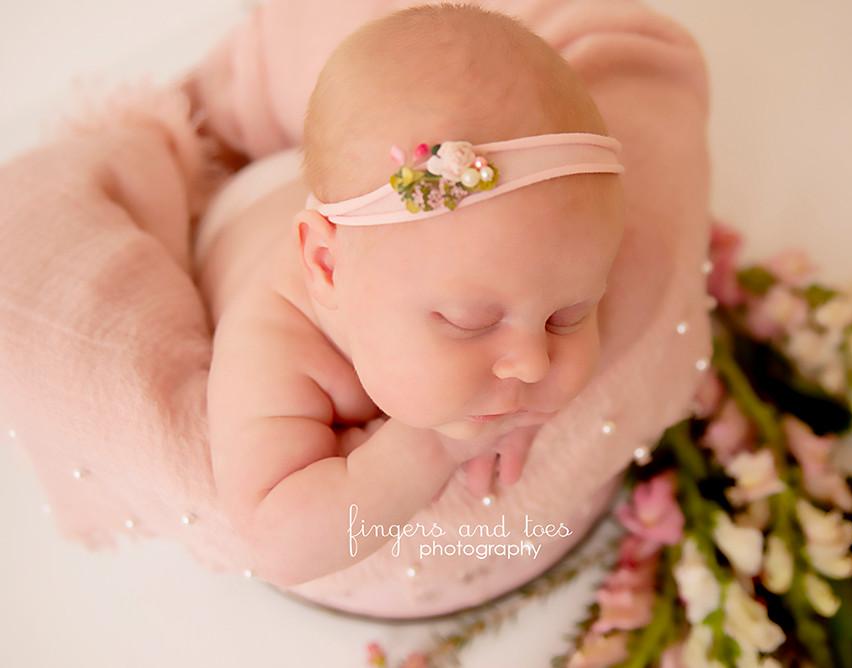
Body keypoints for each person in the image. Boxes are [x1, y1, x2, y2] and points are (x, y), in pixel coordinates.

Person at [198, 3, 627, 588]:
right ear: (327, 268)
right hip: (246, 205)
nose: (532, 362)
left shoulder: (497, 263)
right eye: (470, 322)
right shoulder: (273, 342)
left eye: (568, 314)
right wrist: (431, 450)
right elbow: (278, 542)